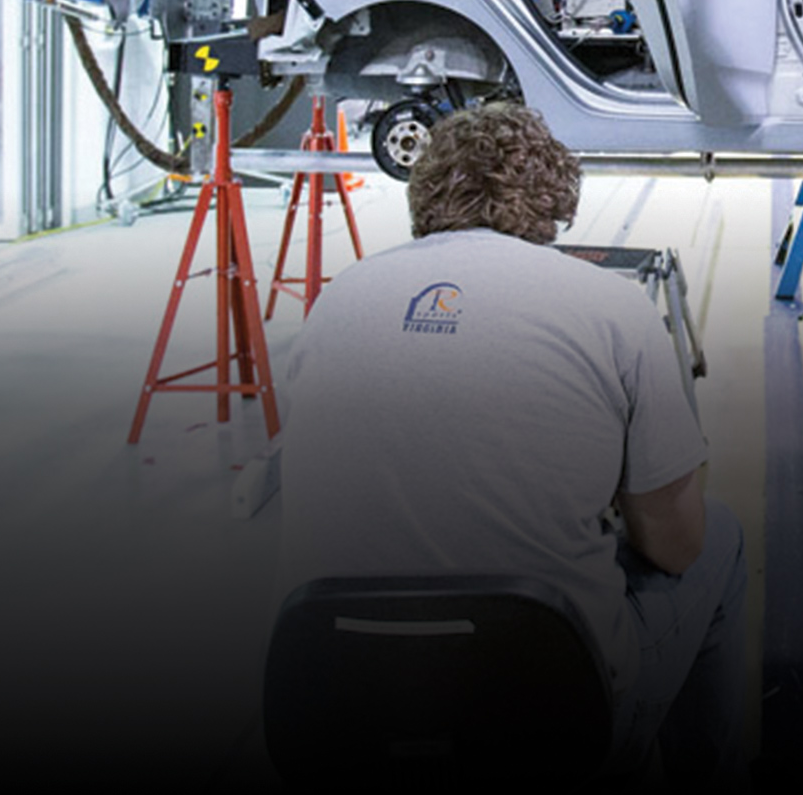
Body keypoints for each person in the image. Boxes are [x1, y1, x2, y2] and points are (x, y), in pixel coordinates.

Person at [274, 104, 746, 788]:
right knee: (721, 537)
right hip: (545, 720)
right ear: (555, 195)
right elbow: (675, 545)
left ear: (426, 188)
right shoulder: (613, 310)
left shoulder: (339, 299)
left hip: (334, 712)